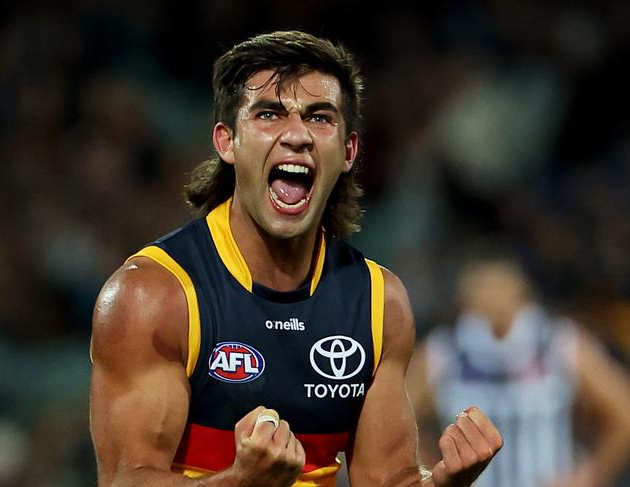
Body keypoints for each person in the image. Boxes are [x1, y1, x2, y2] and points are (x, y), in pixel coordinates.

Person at [89, 30, 503, 486]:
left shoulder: (379, 303)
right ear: (226, 142)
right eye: (269, 114)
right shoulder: (152, 295)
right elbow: (125, 480)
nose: (297, 135)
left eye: (319, 117)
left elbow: (388, 478)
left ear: (348, 152)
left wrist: (445, 482)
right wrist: (241, 482)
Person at [408, 255, 630, 487]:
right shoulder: (443, 352)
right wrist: (432, 473)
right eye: (484, 287)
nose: (493, 297)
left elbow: (623, 411)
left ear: (522, 292)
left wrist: (590, 475)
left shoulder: (557, 342)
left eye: (500, 286)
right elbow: (401, 424)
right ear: (464, 298)